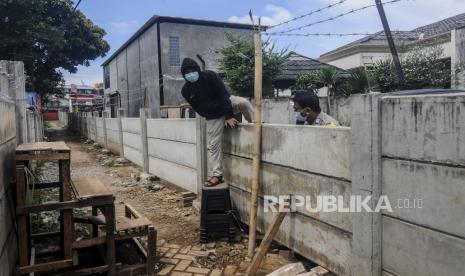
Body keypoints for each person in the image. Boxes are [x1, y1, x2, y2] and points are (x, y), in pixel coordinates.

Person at [180, 57, 254, 187]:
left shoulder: (210, 76)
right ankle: (217, 175)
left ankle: (255, 124)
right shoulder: (186, 90)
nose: (190, 74)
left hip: (227, 103)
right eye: (187, 73)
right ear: (184, 75)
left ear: (198, 70)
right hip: (213, 116)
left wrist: (229, 116)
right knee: (213, 146)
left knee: (244, 103)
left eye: (192, 71)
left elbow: (223, 95)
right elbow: (196, 107)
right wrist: (209, 115)